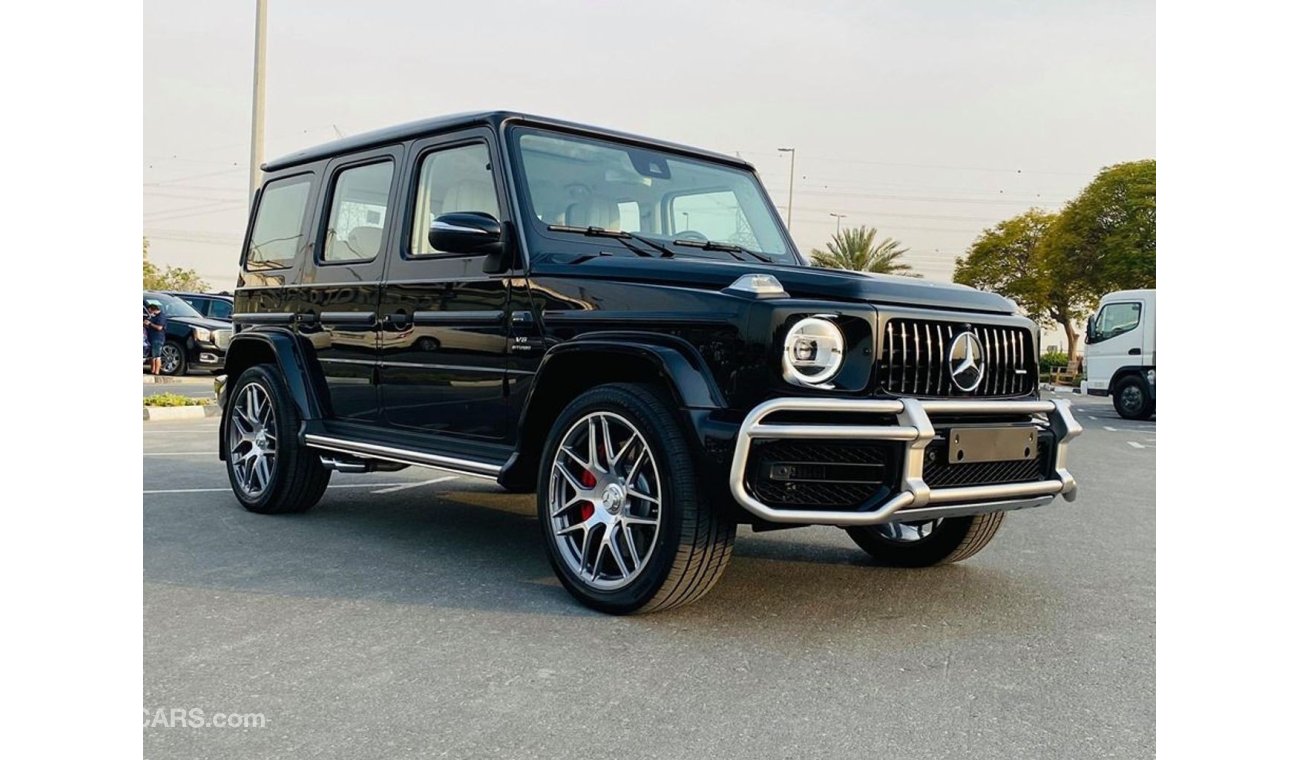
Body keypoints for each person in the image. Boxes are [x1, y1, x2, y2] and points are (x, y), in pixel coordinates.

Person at [144, 302, 168, 375]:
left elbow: (159, 327)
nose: (150, 312)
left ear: (153, 309)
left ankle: (157, 371)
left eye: (150, 310)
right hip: (151, 338)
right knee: (152, 356)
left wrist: (150, 323)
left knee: (157, 356)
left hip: (158, 338)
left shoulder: (161, 317)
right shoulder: (153, 316)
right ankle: (152, 370)